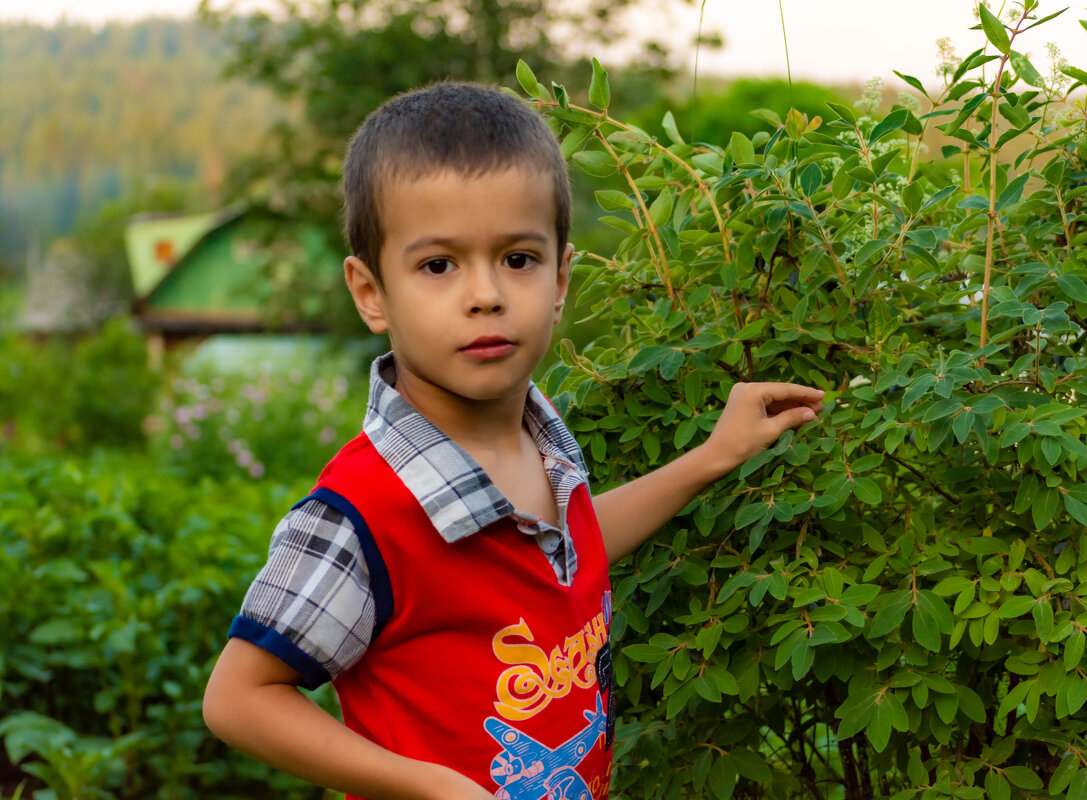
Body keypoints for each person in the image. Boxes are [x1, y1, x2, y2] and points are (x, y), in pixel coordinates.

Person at [202, 81, 824, 800]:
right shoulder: (361, 514)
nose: (486, 294)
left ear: (561, 278)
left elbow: (571, 546)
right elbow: (239, 698)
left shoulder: (541, 435)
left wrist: (714, 456)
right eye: (438, 266)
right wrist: (433, 786)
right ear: (371, 293)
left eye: (518, 259)